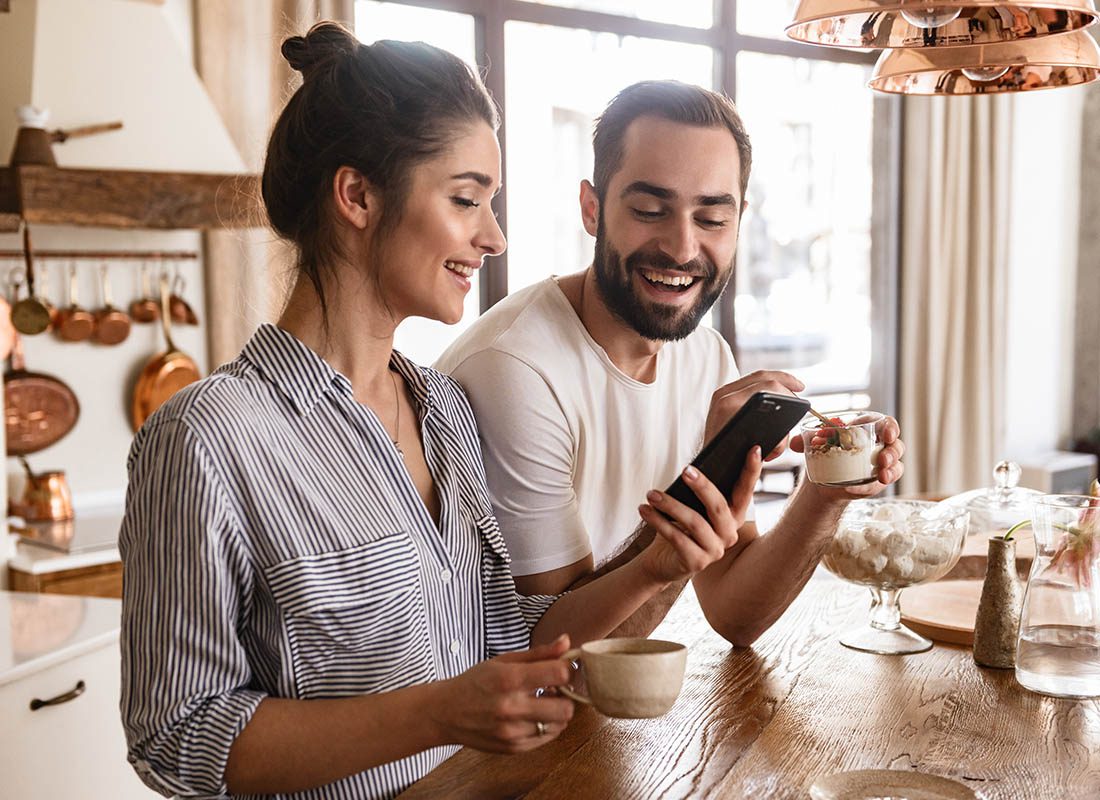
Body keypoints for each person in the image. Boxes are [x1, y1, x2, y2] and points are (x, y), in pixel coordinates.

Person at [119, 25, 762, 800]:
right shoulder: (205, 439)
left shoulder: (445, 411)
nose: (493, 237)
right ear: (357, 196)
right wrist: (435, 715)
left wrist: (657, 564)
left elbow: (517, 640)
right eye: (466, 200)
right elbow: (175, 741)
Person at [436, 80, 906, 645]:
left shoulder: (705, 355)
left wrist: (823, 494)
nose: (682, 248)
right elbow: (558, 658)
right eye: (650, 210)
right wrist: (704, 478)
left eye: (711, 219)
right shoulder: (514, 369)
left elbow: (735, 612)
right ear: (592, 209)